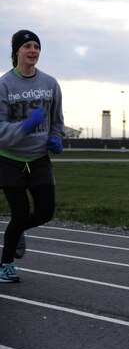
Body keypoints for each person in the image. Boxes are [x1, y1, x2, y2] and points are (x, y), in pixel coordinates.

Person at [0, 30, 65, 283]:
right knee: (20, 212)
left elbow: (57, 120)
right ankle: (5, 265)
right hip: (9, 158)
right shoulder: (5, 85)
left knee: (46, 211)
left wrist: (57, 138)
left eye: (36, 46)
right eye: (27, 46)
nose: (33, 50)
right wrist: (25, 126)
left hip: (38, 158)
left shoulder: (50, 84)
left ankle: (18, 233)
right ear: (16, 51)